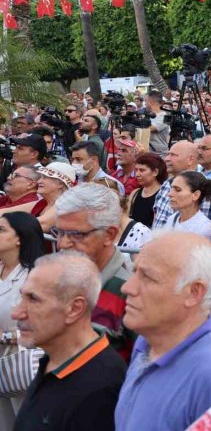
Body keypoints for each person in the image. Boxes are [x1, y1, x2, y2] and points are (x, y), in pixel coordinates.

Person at [115, 232, 211, 431]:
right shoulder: (146, 343)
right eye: (134, 272)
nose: (128, 287)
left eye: (147, 277)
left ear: (193, 292)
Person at [12, 252, 127, 431]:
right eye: (23, 297)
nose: (17, 313)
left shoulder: (101, 388)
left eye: (33, 299)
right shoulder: (53, 360)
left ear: (74, 308)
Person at [54, 183, 135, 360]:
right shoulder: (61, 275)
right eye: (59, 232)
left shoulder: (132, 292)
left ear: (110, 235)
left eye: (77, 234)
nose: (62, 243)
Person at [0, 213, 44, 426]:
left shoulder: (35, 277)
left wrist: (5, 336)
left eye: (1, 230)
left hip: (20, 364)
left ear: (20, 237)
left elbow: (44, 329)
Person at [152, 140, 204, 229]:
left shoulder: (203, 187)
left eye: (173, 155)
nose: (166, 159)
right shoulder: (166, 185)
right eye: (168, 154)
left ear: (190, 160)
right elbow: (156, 216)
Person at [168, 172, 211, 244]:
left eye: (178, 190)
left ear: (196, 195)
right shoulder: (171, 219)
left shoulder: (205, 229)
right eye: (171, 189)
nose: (170, 194)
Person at [34, 163, 77, 232]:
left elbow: (39, 224)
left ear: (60, 184)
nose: (39, 181)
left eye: (45, 177)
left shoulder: (65, 205)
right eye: (40, 177)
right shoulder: (43, 202)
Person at [128, 153, 166, 229]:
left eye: (142, 170)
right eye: (136, 170)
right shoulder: (135, 193)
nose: (137, 174)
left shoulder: (162, 196)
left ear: (155, 172)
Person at [146, 91, 170, 156]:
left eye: (146, 101)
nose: (145, 104)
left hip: (160, 155)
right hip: (148, 153)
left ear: (150, 102)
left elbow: (150, 129)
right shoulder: (148, 115)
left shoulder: (164, 116)